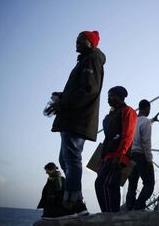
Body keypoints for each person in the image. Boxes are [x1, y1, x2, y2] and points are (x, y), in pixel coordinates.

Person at [47, 31, 105, 215]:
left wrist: (63, 103)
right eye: (77, 39)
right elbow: (83, 90)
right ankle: (76, 199)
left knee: (71, 160)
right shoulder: (86, 61)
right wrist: (62, 97)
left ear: (91, 43)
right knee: (65, 159)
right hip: (73, 118)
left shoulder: (90, 60)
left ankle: (72, 203)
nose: (77, 42)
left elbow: (89, 90)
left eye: (81, 40)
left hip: (77, 119)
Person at [95, 86, 137, 212]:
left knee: (101, 183)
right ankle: (114, 213)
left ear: (120, 97)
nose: (108, 99)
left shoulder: (127, 111)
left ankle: (108, 216)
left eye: (111, 96)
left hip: (117, 156)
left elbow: (128, 135)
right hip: (109, 155)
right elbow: (108, 135)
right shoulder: (112, 115)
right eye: (108, 96)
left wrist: (120, 155)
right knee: (112, 186)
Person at [125, 99, 156, 210]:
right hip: (141, 156)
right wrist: (149, 160)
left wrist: (153, 121)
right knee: (149, 183)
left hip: (130, 155)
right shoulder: (146, 122)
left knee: (132, 184)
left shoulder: (132, 121)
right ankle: (139, 205)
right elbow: (146, 142)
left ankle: (129, 207)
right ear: (147, 108)